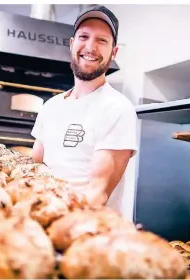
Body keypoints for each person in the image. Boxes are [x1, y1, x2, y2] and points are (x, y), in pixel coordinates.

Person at [31, 5, 138, 209]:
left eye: (102, 40)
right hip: (46, 221)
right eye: (84, 37)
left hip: (89, 232)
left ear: (114, 52)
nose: (90, 47)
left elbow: (98, 193)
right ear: (72, 43)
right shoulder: (50, 106)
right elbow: (34, 169)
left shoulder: (117, 108)